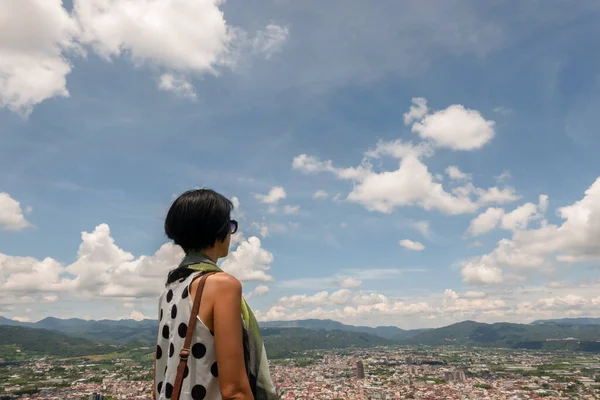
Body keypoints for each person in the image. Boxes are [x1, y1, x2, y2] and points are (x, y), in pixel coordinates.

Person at [154, 189, 278, 400]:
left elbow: (163, 367)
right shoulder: (221, 286)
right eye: (230, 226)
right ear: (217, 229)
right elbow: (234, 391)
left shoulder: (171, 289)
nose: (231, 232)